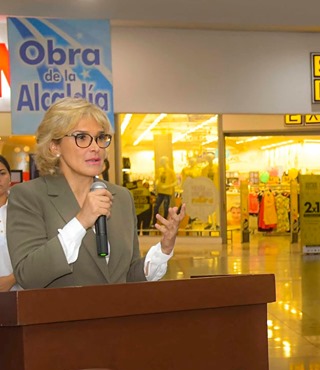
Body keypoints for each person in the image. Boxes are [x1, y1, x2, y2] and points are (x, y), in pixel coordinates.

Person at [7, 98, 186, 289]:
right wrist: (81, 221)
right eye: (82, 137)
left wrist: (163, 250)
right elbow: (28, 276)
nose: (96, 147)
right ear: (54, 146)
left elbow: (126, 276)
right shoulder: (28, 196)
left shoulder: (121, 197)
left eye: (100, 138)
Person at [0, 155, 21, 291]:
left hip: (23, 291)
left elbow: (37, 252)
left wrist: (12, 279)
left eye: (2, 173)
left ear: (10, 177)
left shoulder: (23, 209)